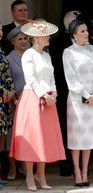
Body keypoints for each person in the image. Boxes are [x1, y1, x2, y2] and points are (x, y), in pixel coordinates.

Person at [9, 19, 66, 191]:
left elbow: (51, 78)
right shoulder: (28, 54)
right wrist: (44, 94)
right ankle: (29, 175)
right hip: (32, 98)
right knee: (33, 137)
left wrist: (53, 93)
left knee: (46, 137)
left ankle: (41, 174)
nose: (49, 37)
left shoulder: (46, 55)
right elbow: (31, 79)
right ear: (37, 38)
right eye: (45, 34)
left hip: (48, 99)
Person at [62, 18, 93, 187]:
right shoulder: (68, 52)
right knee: (76, 139)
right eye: (82, 31)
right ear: (74, 35)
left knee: (88, 139)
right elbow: (71, 80)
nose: (86, 34)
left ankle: (85, 171)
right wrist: (86, 94)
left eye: (86, 30)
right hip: (77, 100)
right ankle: (76, 171)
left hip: (92, 99)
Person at [49, 10, 81, 177]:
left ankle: (79, 164)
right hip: (63, 91)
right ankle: (65, 163)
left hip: (79, 92)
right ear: (67, 26)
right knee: (64, 127)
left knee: (78, 128)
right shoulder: (56, 43)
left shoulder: (84, 42)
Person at [6, 26, 28, 180]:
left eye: (25, 38)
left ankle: (25, 167)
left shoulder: (30, 55)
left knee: (28, 135)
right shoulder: (8, 59)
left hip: (29, 102)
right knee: (12, 137)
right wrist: (14, 99)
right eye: (20, 39)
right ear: (13, 41)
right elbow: (8, 81)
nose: (23, 41)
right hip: (15, 103)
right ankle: (13, 168)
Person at [0, 22, 16, 188]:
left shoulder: (1, 51)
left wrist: (10, 90)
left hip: (3, 102)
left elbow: (7, 74)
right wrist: (3, 90)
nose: (0, 32)